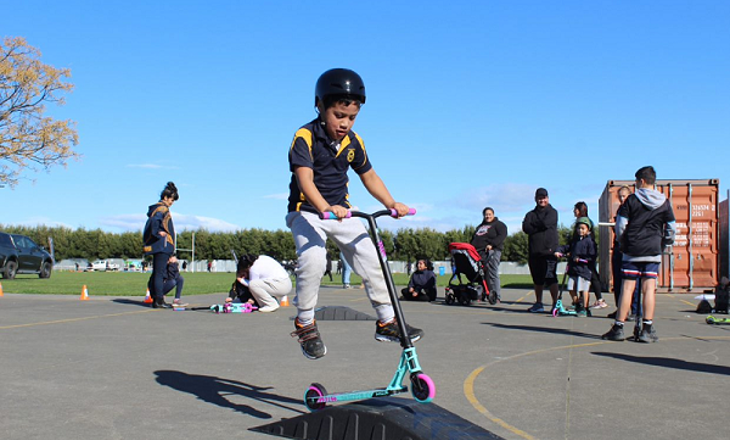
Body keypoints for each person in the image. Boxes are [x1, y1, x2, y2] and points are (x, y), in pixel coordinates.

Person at [286, 68, 423, 360]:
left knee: (371, 255)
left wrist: (391, 202)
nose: (345, 123)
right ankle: (305, 322)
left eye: (352, 118)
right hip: (308, 212)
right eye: (339, 115)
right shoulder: (305, 136)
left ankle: (387, 320)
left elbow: (369, 176)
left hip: (342, 214)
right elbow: (305, 179)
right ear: (320, 106)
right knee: (313, 257)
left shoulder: (354, 142)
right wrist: (324, 207)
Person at [603, 166, 676, 342]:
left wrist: (623, 243)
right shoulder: (665, 202)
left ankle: (619, 327)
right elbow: (672, 228)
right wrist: (664, 243)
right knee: (649, 288)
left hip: (633, 249)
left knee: (627, 288)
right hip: (653, 249)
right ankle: (647, 328)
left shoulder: (631, 201)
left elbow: (621, 226)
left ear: (641, 181)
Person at [522, 188, 560, 313]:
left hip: (549, 251)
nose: (542, 200)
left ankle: (555, 303)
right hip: (534, 251)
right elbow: (526, 227)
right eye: (539, 198)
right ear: (535, 199)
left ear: (548, 198)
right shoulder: (530, 214)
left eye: (544, 198)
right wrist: (536, 225)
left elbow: (546, 223)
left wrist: (535, 225)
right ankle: (539, 303)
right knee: (537, 279)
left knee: (551, 278)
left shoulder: (552, 212)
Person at [143, 181, 179, 309]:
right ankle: (158, 299)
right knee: (159, 273)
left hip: (162, 246)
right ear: (165, 198)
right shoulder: (162, 208)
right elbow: (155, 221)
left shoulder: (161, 208)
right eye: (171, 200)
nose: (172, 203)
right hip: (162, 246)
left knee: (157, 272)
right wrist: (158, 232)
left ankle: (156, 297)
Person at [608, 185, 641, 320]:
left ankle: (634, 310)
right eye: (620, 196)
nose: (622, 199)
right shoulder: (621, 210)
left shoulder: (635, 209)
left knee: (633, 281)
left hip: (630, 249)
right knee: (618, 281)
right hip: (619, 247)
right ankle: (620, 309)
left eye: (624, 196)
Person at [555, 217, 597, 317]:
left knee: (583, 289)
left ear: (588, 230)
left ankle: (585, 308)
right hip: (573, 269)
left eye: (583, 228)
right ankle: (577, 304)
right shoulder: (574, 241)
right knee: (570, 287)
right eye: (579, 228)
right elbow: (566, 247)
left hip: (584, 270)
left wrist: (582, 258)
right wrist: (559, 251)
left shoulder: (590, 242)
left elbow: (592, 256)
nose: (580, 230)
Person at [225, 254, 292, 313]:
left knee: (253, 284)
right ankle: (270, 301)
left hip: (280, 285)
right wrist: (231, 296)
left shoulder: (254, 269)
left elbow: (252, 286)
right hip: (286, 282)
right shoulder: (261, 258)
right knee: (257, 285)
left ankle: (270, 304)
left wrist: (241, 280)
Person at [572, 201, 607, 309]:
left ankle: (599, 299)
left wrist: (585, 255)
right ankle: (584, 299)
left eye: (575, 209)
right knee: (588, 277)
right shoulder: (580, 222)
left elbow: (588, 240)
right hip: (584, 255)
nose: (574, 211)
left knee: (592, 276)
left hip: (587, 256)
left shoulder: (585, 222)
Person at [470, 207, 508, 302]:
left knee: (492, 272)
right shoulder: (480, 227)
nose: (488, 216)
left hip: (492, 251)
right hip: (478, 252)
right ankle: (482, 294)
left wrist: (492, 244)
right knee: (480, 273)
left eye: (489, 214)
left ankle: (496, 296)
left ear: (493, 214)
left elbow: (502, 236)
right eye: (486, 214)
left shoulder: (499, 225)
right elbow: (474, 239)